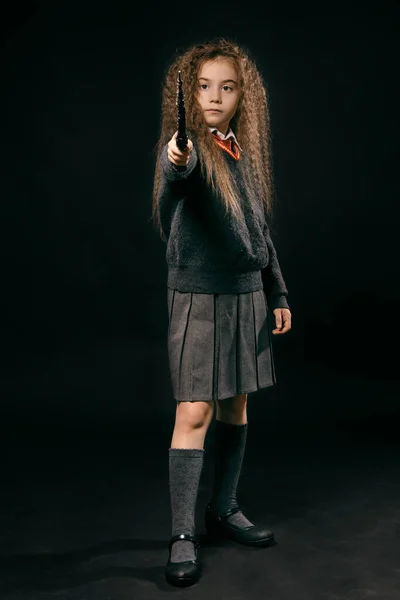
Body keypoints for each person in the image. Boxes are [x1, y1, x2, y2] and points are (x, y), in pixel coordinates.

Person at [151, 38, 292, 587]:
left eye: (226, 87)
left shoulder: (241, 152)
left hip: (246, 297)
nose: (215, 97)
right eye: (204, 86)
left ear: (241, 97)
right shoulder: (185, 150)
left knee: (236, 406)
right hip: (199, 297)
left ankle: (224, 507)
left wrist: (277, 294)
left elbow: (260, 235)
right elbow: (173, 179)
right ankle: (183, 534)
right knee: (194, 414)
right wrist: (175, 158)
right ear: (188, 94)